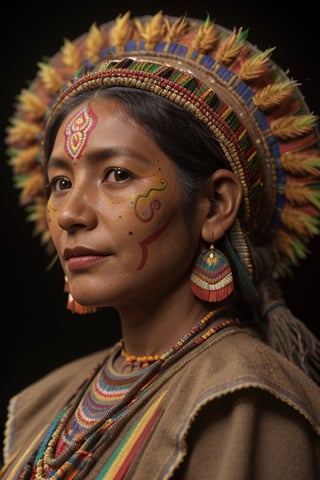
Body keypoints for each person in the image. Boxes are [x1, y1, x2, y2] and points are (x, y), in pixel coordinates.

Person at [1, 9, 320, 479]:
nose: (70, 214)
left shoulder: (242, 402)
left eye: (117, 175)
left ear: (214, 206)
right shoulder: (44, 401)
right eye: (61, 182)